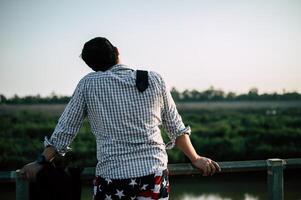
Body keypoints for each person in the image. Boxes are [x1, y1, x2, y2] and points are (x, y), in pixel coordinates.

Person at [20, 37, 221, 200]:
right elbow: (176, 128)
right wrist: (196, 159)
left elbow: (65, 131)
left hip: (113, 178)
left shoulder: (88, 84)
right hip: (154, 175)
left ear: (92, 66)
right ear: (117, 51)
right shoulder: (154, 79)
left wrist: (39, 162)